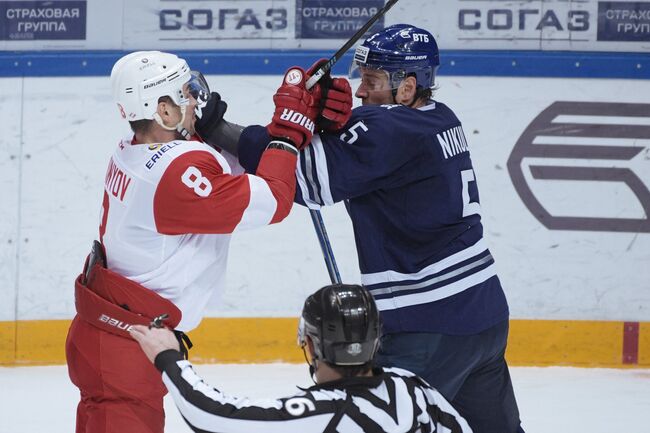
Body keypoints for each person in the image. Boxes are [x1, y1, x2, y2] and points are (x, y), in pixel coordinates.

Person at [230, 24, 525, 432]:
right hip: (485, 316)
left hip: (425, 325)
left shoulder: (388, 129)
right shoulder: (439, 117)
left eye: (371, 81)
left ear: (407, 87)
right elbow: (364, 143)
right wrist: (320, 124)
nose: (361, 92)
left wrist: (218, 126)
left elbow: (300, 180)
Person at [65, 50, 322, 433]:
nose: (195, 101)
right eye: (186, 94)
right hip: (124, 352)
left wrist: (217, 129)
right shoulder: (175, 174)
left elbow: (219, 174)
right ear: (164, 112)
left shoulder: (136, 149)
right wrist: (287, 132)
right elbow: (272, 200)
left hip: (110, 339)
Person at [130, 284, 473, 432]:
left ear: (310, 345)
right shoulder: (414, 389)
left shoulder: (325, 413)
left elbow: (213, 416)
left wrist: (169, 358)